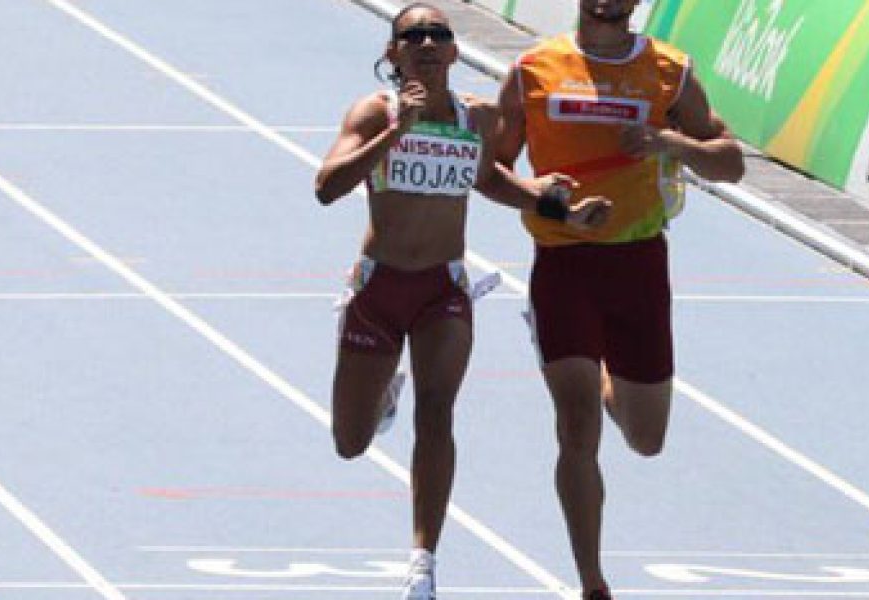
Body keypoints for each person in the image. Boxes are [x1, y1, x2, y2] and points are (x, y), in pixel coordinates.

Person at [313, 4, 610, 599]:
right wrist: (399, 133)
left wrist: (558, 207)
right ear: (393, 53)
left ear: (454, 51)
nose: (427, 41)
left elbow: (494, 180)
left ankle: (422, 563)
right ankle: (381, 398)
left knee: (438, 412)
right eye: (413, 35)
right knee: (350, 442)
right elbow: (327, 187)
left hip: (442, 291)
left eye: (439, 34)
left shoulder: (475, 118)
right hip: (379, 290)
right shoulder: (375, 113)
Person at [494, 1, 745, 598]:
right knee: (576, 427)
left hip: (639, 266)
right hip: (563, 263)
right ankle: (592, 582)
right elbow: (494, 171)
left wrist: (669, 142)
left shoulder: (670, 71)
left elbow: (731, 163)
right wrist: (549, 202)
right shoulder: (534, 69)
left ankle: (608, 374)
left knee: (646, 438)